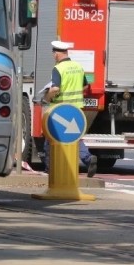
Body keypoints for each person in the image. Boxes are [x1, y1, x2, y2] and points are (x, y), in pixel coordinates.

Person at [40, 40, 97, 177]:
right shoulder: (78, 66)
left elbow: (55, 89)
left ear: (56, 54)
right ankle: (88, 159)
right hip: (76, 109)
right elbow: (85, 86)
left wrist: (46, 99)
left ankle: (50, 168)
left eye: (54, 53)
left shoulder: (58, 68)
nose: (54, 56)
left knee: (51, 137)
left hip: (60, 109)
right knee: (74, 137)